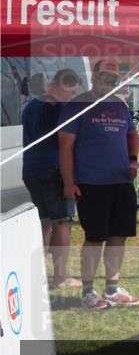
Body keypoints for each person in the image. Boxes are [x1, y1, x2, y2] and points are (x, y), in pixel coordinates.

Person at [58, 59, 139, 309]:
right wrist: (69, 182)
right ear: (93, 77)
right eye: (105, 78)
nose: (109, 83)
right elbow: (65, 146)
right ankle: (88, 292)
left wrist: (132, 160)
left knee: (120, 235)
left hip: (120, 181)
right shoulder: (77, 105)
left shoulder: (120, 105)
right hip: (91, 183)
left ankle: (112, 289)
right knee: (95, 237)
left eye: (113, 80)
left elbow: (132, 133)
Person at [22, 69, 83, 289]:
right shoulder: (57, 108)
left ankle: (37, 273)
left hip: (31, 169)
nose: (71, 96)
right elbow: (66, 140)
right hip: (52, 169)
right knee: (62, 223)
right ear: (61, 84)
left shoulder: (30, 106)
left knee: (45, 223)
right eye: (71, 91)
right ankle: (60, 277)